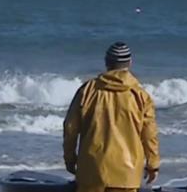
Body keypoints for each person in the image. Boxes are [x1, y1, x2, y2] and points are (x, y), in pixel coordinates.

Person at [63, 42, 160, 192]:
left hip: (91, 171)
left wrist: (70, 159)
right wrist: (153, 164)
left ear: (107, 62)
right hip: (127, 175)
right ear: (130, 63)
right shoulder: (140, 96)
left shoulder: (87, 90)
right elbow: (149, 134)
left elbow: (70, 127)